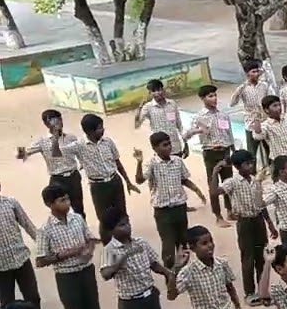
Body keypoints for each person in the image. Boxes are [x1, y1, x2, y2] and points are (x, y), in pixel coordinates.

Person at [34, 184, 101, 309]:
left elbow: (91, 239)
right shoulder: (45, 230)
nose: (67, 203)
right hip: (67, 277)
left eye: (68, 199)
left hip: (86, 271)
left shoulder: (77, 218)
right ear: (50, 204)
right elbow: (41, 260)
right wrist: (66, 254)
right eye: (62, 200)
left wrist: (89, 251)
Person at [133, 132, 206, 269]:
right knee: (168, 245)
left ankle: (183, 272)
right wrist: (139, 162)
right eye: (164, 145)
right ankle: (170, 277)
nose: (169, 147)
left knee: (183, 243)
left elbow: (184, 179)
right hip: (163, 212)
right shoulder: (152, 164)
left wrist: (197, 190)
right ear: (155, 148)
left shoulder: (177, 161)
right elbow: (140, 180)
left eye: (169, 144)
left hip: (179, 208)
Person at [214, 150, 276, 306]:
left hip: (258, 221)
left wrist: (270, 224)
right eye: (247, 164)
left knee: (262, 256)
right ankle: (249, 292)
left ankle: (263, 290)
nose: (250, 166)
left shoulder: (255, 181)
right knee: (248, 258)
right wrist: (215, 173)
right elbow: (215, 192)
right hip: (244, 223)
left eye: (251, 163)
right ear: (237, 166)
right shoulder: (232, 182)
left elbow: (261, 204)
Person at [79, 113, 138, 239]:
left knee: (122, 213)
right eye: (100, 128)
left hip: (115, 181)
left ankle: (126, 239)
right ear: (90, 131)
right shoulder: (80, 147)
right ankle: (108, 244)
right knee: (104, 217)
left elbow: (117, 162)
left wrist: (127, 182)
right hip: (98, 186)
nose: (103, 130)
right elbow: (59, 152)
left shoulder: (108, 142)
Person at [184, 85, 236, 228]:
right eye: (210, 96)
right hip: (211, 153)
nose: (214, 99)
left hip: (225, 151)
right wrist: (197, 130)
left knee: (229, 182)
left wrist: (233, 150)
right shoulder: (199, 117)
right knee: (213, 185)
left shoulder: (223, 115)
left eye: (215, 95)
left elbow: (229, 133)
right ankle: (218, 216)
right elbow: (186, 135)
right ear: (202, 99)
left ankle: (230, 210)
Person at [19, 109, 86, 218]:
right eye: (54, 121)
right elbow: (25, 153)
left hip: (73, 177)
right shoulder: (42, 142)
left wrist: (82, 163)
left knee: (79, 208)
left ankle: (83, 232)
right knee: (59, 210)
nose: (58, 124)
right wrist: (20, 151)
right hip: (57, 179)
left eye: (60, 120)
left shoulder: (71, 138)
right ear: (46, 124)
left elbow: (79, 152)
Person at [0, 186, 43, 309]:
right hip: (1, 265)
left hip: (21, 257)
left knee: (33, 296)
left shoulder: (11, 203)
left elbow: (27, 224)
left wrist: (43, 247)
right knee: (7, 302)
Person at [135, 80, 186, 158]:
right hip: (160, 150)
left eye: (159, 89)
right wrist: (140, 107)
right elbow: (137, 125)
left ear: (163, 89)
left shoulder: (172, 104)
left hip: (176, 147)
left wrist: (185, 143)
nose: (157, 93)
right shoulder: (148, 107)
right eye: (154, 91)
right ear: (150, 93)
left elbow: (179, 125)